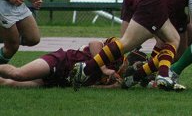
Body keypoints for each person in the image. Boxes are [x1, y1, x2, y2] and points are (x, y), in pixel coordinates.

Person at [0, 37, 147, 88]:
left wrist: (113, 87)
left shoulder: (118, 77)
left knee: (9, 84)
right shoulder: (118, 48)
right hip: (61, 61)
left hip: (63, 81)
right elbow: (94, 43)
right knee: (18, 74)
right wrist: (103, 68)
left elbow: (90, 88)